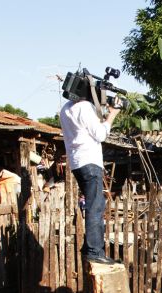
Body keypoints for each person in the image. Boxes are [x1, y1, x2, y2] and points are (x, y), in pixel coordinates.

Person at [59, 86, 122, 264]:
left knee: (92, 203)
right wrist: (112, 115)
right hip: (90, 161)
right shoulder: (84, 107)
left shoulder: (65, 109)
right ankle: (95, 251)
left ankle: (90, 248)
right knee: (96, 206)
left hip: (77, 163)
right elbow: (101, 134)